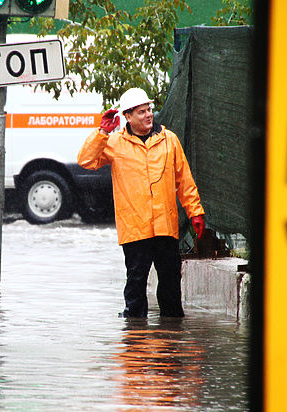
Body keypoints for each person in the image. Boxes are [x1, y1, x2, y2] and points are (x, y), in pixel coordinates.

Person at [77, 88, 205, 318]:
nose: (148, 115)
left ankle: (170, 343)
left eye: (149, 110)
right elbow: (85, 160)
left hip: (165, 227)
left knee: (171, 287)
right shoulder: (114, 143)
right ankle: (135, 343)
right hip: (135, 229)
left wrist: (195, 211)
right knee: (135, 287)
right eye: (141, 111)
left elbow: (184, 179)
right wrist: (102, 132)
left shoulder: (170, 140)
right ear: (127, 116)